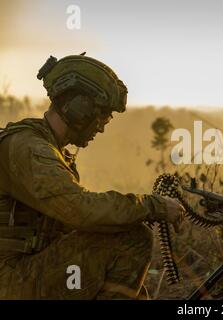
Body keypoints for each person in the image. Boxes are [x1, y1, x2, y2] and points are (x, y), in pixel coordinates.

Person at [0, 54, 185, 299]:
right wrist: (153, 206)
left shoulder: (47, 148)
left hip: (20, 275)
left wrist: (128, 214)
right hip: (10, 282)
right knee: (132, 239)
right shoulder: (31, 149)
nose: (102, 126)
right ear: (80, 108)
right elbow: (81, 211)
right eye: (102, 115)